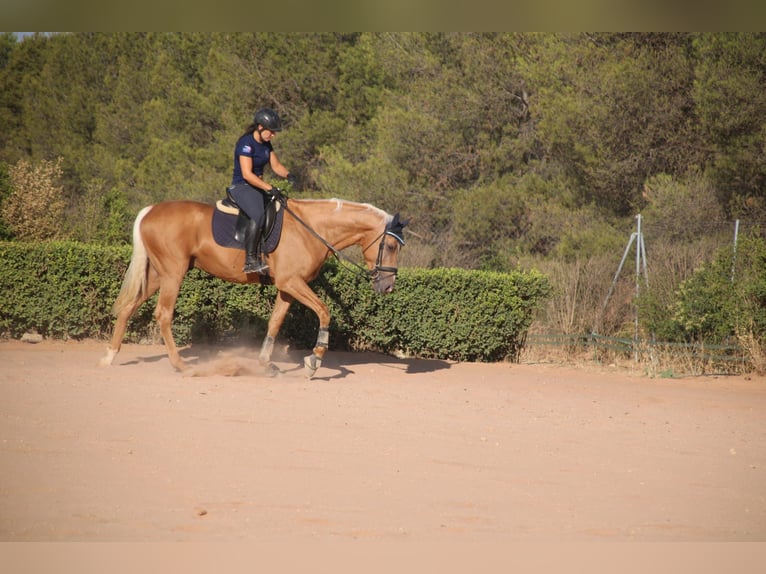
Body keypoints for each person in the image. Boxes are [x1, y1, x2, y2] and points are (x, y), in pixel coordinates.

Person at [227, 107, 297, 274]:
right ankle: (251, 260)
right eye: (271, 132)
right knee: (258, 213)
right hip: (242, 187)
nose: (273, 135)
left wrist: (289, 175)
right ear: (260, 127)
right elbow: (247, 174)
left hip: (257, 186)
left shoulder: (266, 145)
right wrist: (269, 188)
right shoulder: (246, 144)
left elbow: (276, 166)